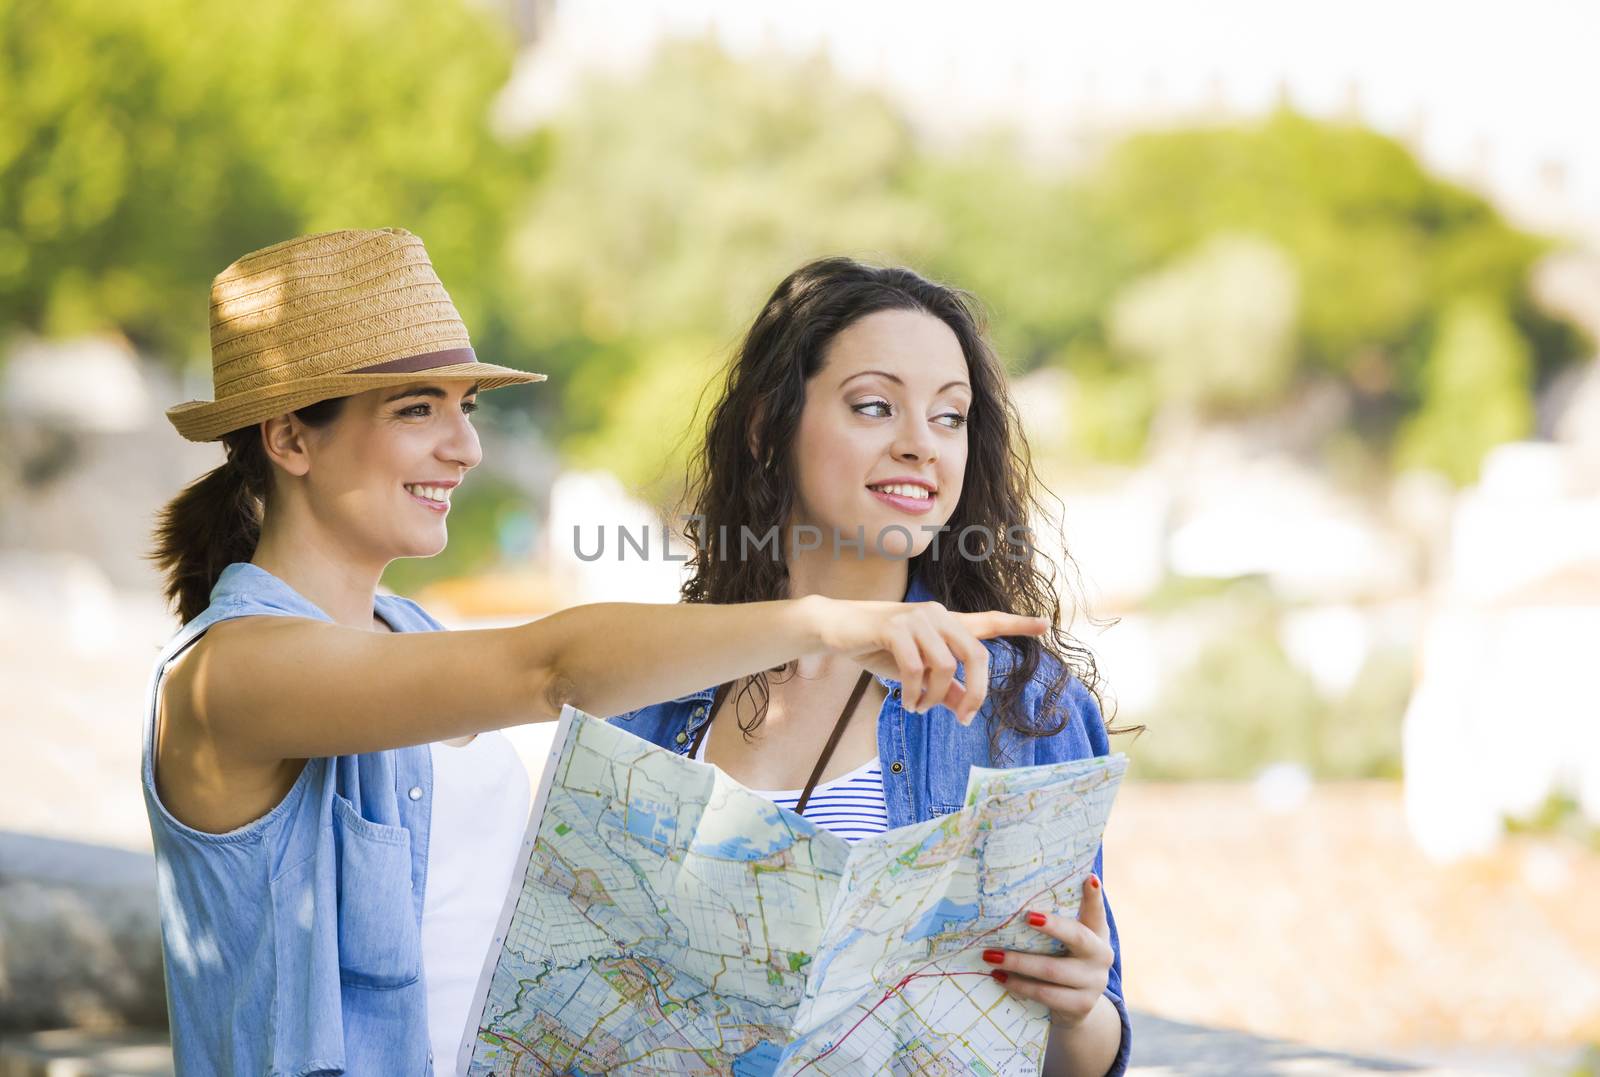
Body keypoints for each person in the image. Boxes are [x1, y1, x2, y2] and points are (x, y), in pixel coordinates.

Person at [143, 229, 1047, 1076]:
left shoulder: (407, 638)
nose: (465, 447)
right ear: (291, 436)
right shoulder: (231, 676)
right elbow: (552, 669)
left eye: (465, 407)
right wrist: (832, 622)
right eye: (419, 409)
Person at [612, 257, 1138, 1076]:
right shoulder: (651, 687)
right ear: (765, 425)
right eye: (873, 406)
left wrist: (1077, 1007)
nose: (919, 445)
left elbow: (1088, 1049)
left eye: (950, 417)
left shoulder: (1019, 705)